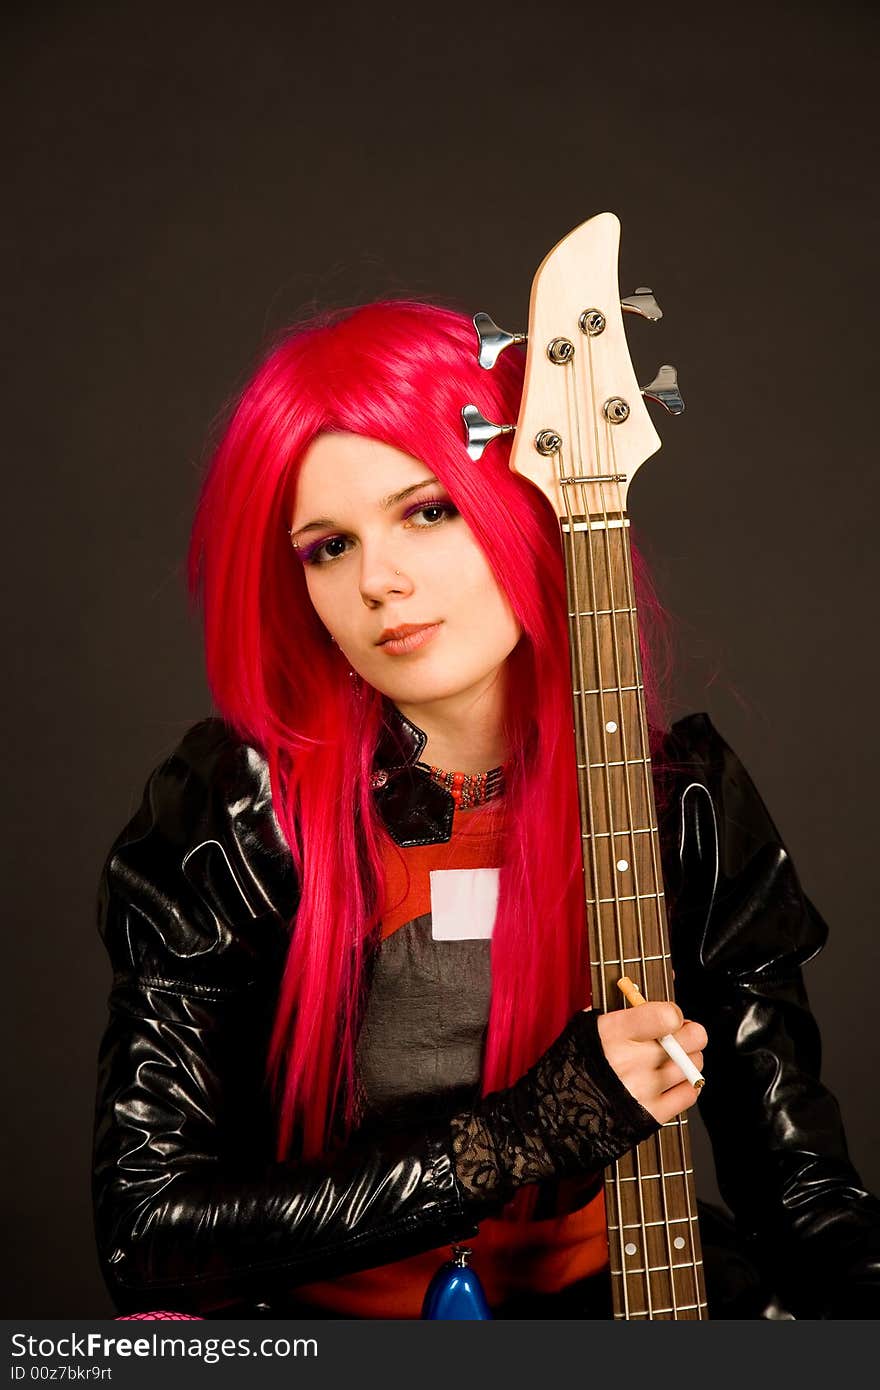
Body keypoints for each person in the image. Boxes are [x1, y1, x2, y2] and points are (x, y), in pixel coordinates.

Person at [92, 300, 880, 1320]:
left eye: (429, 510)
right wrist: (525, 1134)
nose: (380, 580)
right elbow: (147, 1231)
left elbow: (804, 1197)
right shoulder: (237, 808)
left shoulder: (676, 796)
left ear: (526, 500)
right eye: (327, 546)